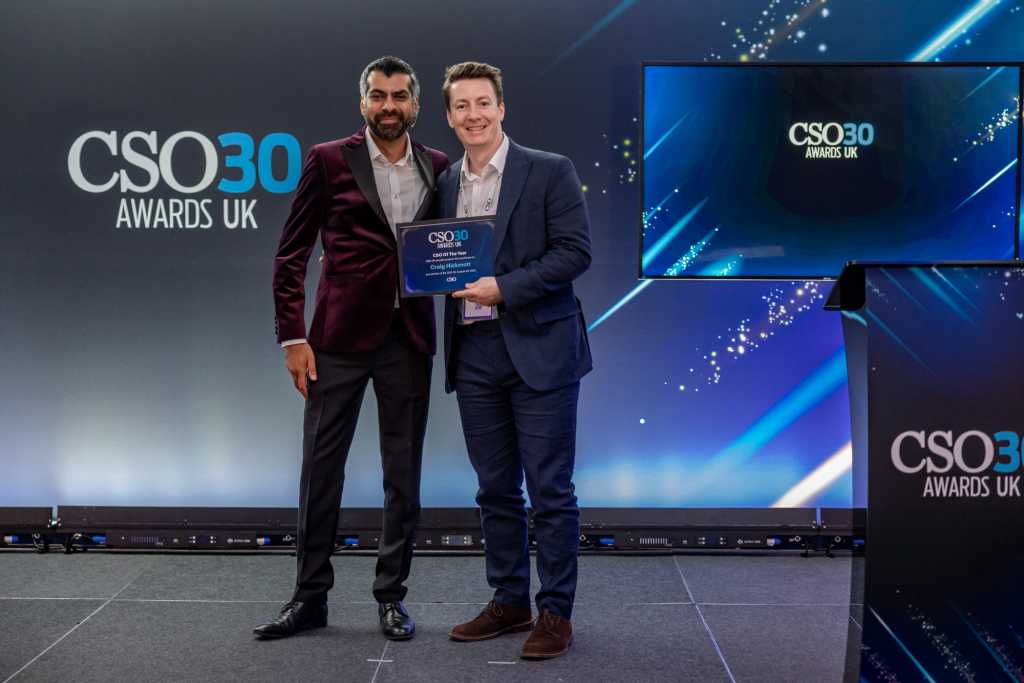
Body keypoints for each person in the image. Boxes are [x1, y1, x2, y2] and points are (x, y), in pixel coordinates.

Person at [257, 56, 448, 641]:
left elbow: (452, 249)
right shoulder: (326, 159)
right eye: (378, 96)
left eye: (399, 97)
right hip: (334, 342)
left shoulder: (440, 166)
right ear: (362, 103)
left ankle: (391, 598)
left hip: (407, 341)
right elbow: (291, 256)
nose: (388, 106)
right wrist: (293, 338)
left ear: (415, 105)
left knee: (403, 476)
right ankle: (309, 598)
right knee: (321, 473)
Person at [436, 61, 593, 659]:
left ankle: (555, 614)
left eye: (483, 104)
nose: (473, 115)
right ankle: (508, 602)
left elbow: (574, 253)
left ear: (502, 108)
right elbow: (434, 261)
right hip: (474, 352)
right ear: (450, 117)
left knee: (550, 489)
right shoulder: (445, 183)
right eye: (462, 107)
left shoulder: (550, 170)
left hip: (542, 350)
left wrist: (505, 287)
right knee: (494, 490)